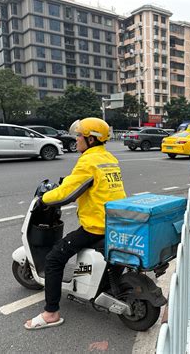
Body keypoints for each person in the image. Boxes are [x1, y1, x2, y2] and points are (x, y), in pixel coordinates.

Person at [25, 117, 126, 330]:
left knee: (53, 259)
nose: (76, 139)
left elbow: (66, 192)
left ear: (90, 139)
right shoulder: (108, 158)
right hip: (114, 222)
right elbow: (84, 184)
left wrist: (43, 199)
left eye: (79, 135)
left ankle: (51, 313)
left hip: (96, 226)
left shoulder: (88, 161)